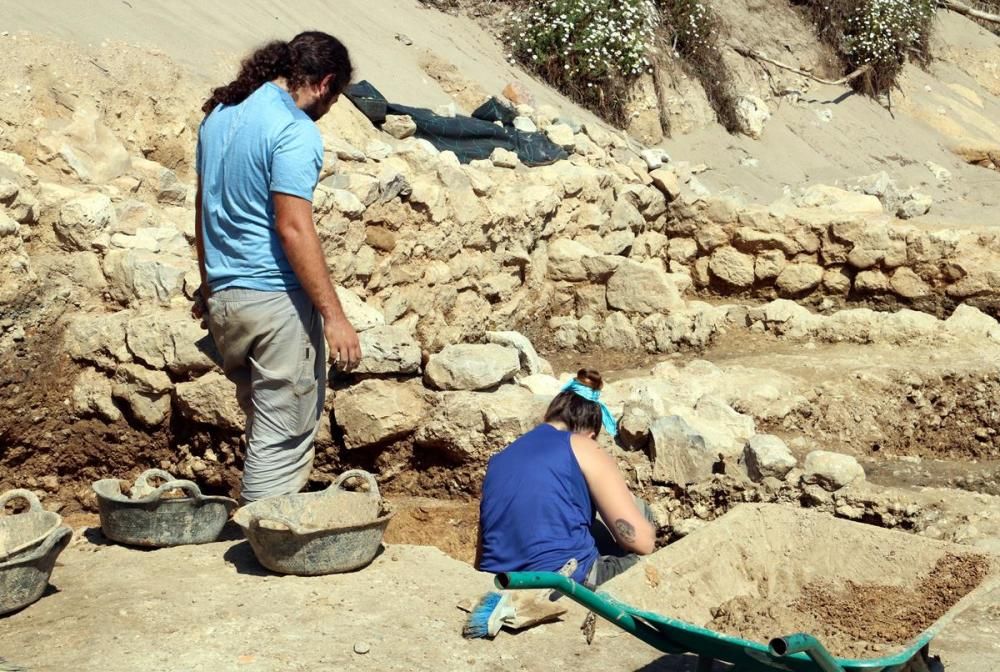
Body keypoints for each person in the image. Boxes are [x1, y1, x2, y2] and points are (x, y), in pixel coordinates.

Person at [193, 31, 362, 503]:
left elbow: (203, 206)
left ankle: (257, 526)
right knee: (284, 431)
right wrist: (334, 316)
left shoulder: (220, 116)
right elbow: (293, 228)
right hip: (273, 301)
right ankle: (262, 537)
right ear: (325, 83)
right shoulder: (294, 129)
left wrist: (209, 287)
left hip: (227, 299)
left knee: (262, 422)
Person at [477, 369, 656, 587]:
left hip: (501, 582)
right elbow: (642, 542)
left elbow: (483, 551)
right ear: (591, 434)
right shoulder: (584, 445)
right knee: (641, 514)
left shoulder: (500, 459)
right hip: (563, 580)